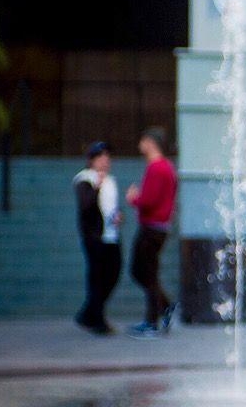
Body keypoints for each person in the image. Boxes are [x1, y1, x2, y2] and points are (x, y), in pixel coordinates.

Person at [126, 126, 177, 339]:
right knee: (144, 272)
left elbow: (149, 200)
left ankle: (153, 320)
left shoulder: (157, 168)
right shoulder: (164, 167)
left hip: (152, 228)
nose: (140, 145)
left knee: (145, 272)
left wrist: (133, 198)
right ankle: (163, 307)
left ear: (150, 142)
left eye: (143, 140)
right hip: (158, 227)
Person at [73, 141, 122, 334]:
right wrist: (97, 186)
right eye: (100, 157)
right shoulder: (84, 179)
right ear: (92, 160)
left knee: (113, 273)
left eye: (107, 157)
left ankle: (88, 313)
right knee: (97, 277)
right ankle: (98, 320)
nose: (105, 161)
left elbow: (110, 207)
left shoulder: (111, 180)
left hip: (112, 235)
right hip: (94, 237)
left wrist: (119, 216)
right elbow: (86, 205)